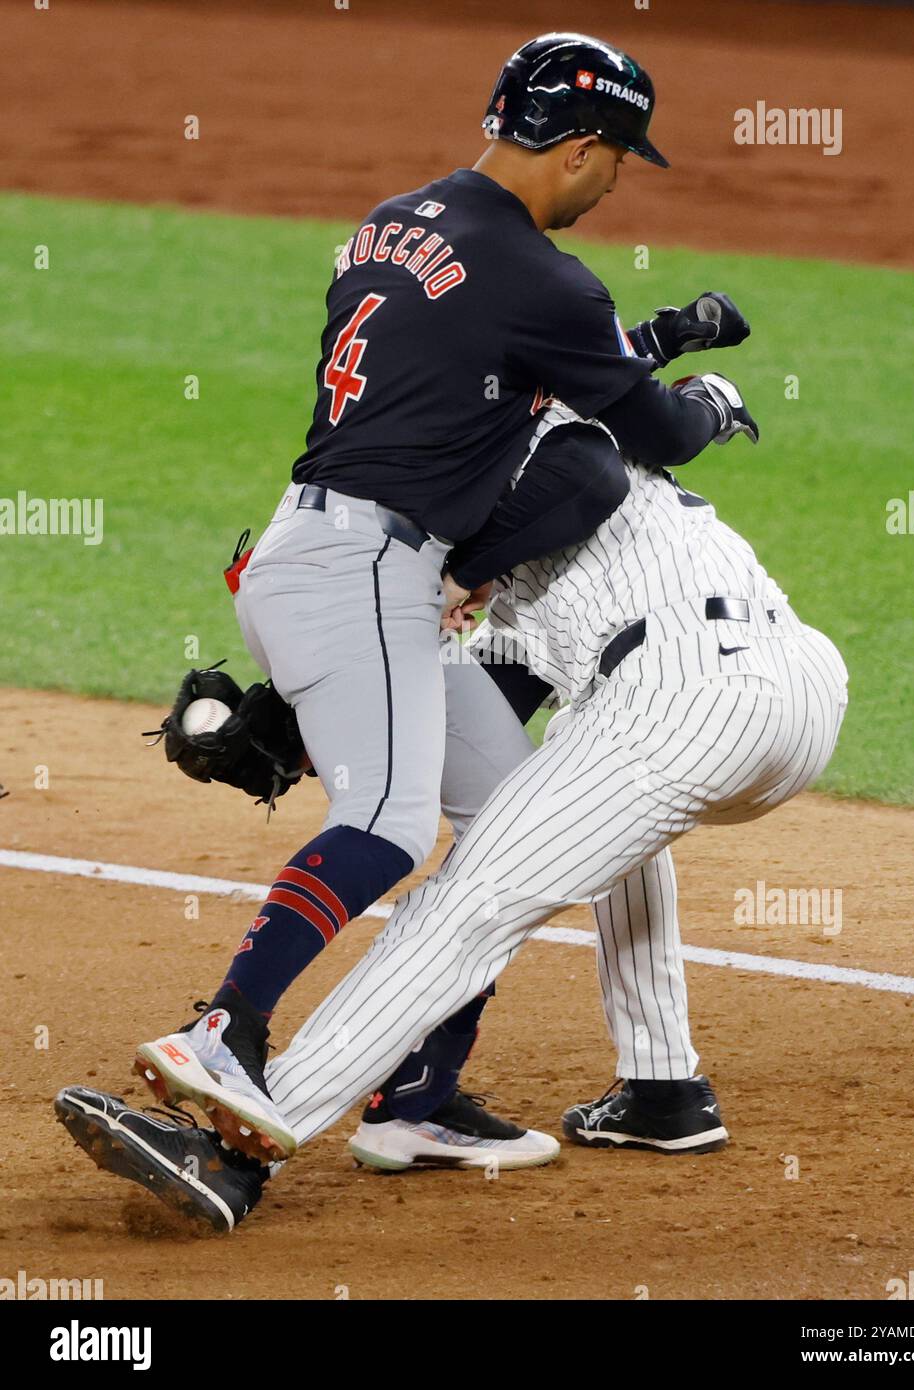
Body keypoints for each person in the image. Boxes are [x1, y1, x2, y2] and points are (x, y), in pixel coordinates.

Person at [123, 31, 756, 1167]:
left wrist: (651, 336)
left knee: (511, 822)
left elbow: (483, 360)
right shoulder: (545, 276)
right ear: (576, 147)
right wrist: (704, 395)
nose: (617, 182)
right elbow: (650, 432)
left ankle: (415, 1098)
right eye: (618, 158)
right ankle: (225, 1030)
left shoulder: (393, 220)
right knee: (385, 825)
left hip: (332, 552)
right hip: (365, 567)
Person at [54, 394, 847, 1233]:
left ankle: (236, 1151)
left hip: (685, 691)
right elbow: (464, 709)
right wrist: (307, 735)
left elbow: (566, 474)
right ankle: (663, 1088)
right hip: (794, 691)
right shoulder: (552, 508)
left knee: (462, 908)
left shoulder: (516, 450)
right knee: (604, 784)